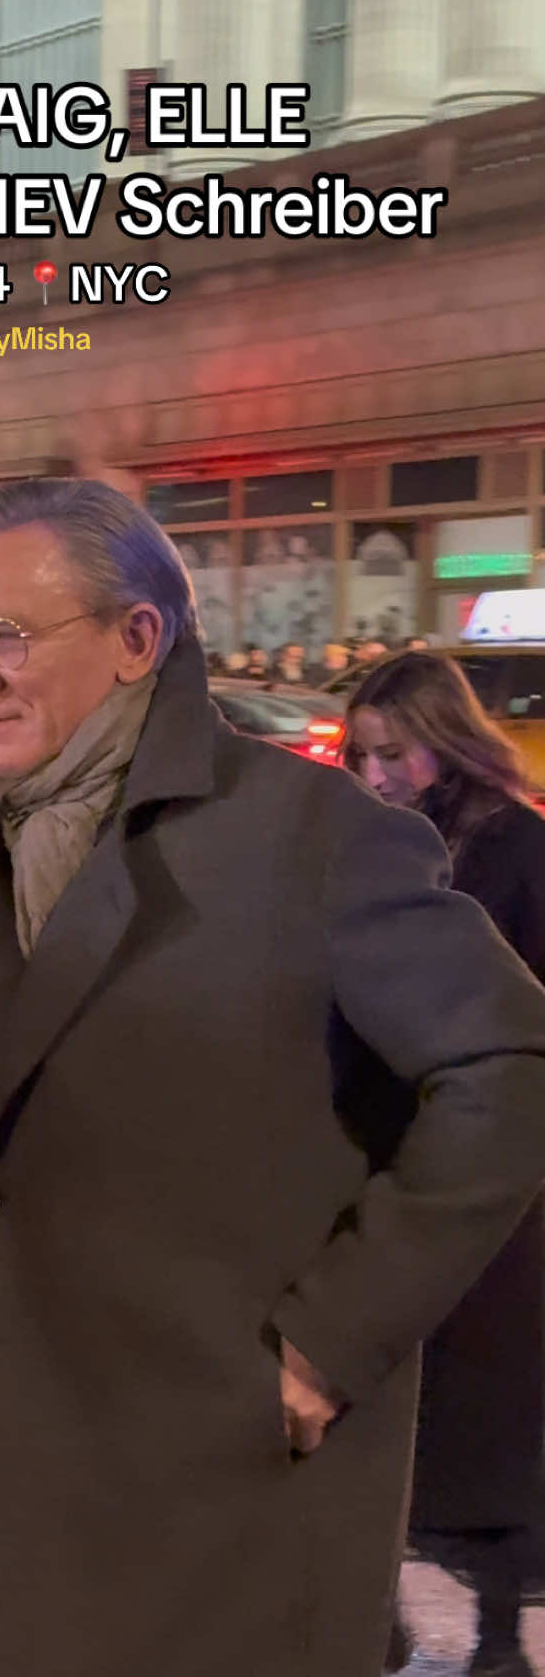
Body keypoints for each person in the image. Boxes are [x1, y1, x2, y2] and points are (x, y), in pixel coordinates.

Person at [0, 478, 545, 1677]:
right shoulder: (12, 850)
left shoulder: (308, 835)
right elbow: (4, 1188)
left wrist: (328, 1346)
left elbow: (511, 1065)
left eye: (4, 636)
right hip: (38, 1501)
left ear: (137, 640)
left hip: (223, 1513)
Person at [344, 651, 545, 1677]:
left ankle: (502, 1635)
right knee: (383, 1405)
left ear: (444, 739)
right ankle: (371, 1612)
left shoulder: (514, 845)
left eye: (395, 753)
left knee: (490, 1418)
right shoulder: (369, 852)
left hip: (496, 1183)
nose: (377, 773)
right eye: (362, 754)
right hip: (394, 1162)